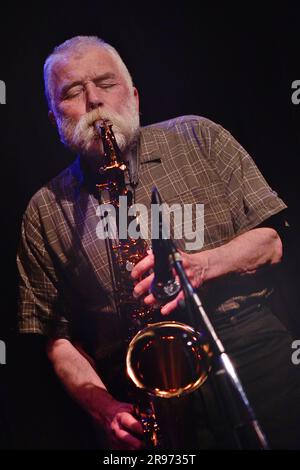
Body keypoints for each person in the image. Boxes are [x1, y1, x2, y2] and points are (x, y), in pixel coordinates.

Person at [17, 35, 300, 450]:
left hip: (247, 347)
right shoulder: (44, 209)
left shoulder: (199, 137)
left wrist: (201, 266)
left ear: (133, 95)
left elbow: (273, 241)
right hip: (145, 387)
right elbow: (57, 338)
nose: (93, 100)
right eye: (72, 92)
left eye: (105, 83)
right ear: (53, 118)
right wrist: (104, 409)